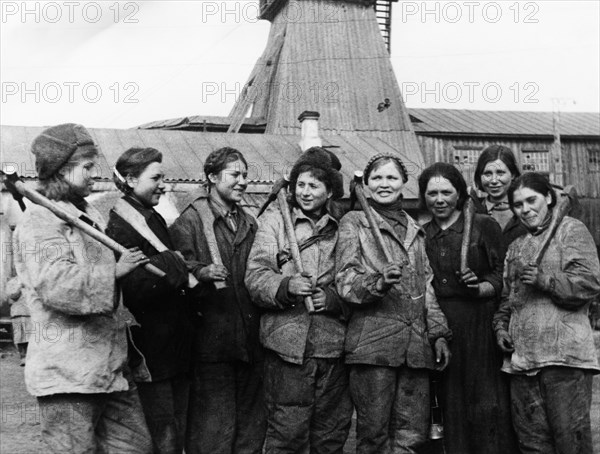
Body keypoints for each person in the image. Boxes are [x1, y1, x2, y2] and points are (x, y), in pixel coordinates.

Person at [12, 123, 152, 453]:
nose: (95, 174)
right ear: (62, 169)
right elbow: (56, 285)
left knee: (136, 448)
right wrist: (114, 273)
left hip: (109, 370)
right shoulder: (40, 221)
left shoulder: (86, 214)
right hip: (67, 374)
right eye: (87, 167)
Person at [335, 153, 452, 454]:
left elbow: (426, 288)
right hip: (373, 348)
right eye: (377, 178)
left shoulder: (416, 229)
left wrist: (438, 333)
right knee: (373, 437)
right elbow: (345, 281)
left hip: (415, 348)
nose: (384, 184)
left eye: (391, 178)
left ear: (403, 182)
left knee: (411, 437)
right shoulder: (355, 222)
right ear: (366, 183)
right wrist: (377, 281)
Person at [245, 147, 353, 453]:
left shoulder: (345, 226)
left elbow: (356, 281)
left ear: (330, 190)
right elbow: (255, 275)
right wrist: (286, 286)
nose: (305, 192)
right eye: (300, 185)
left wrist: (332, 300)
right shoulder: (275, 221)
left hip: (333, 346)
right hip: (285, 346)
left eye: (314, 186)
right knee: (287, 434)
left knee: (330, 435)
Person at [493, 172, 600, 454]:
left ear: (549, 198)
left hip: (564, 359)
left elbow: (589, 284)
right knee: (532, 447)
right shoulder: (516, 247)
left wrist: (546, 280)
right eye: (518, 204)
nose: (525, 209)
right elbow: (508, 299)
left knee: (571, 445)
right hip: (522, 363)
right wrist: (501, 328)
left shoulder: (571, 230)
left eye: (531, 200)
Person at [170, 147, 265, 453]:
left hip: (250, 342)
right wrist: (202, 271)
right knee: (213, 433)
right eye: (235, 175)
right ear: (212, 177)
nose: (242, 182)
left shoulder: (249, 221)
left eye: (245, 175)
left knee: (250, 432)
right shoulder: (190, 222)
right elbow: (175, 271)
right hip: (211, 344)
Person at [419, 162, 517, 454]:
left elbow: (502, 278)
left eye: (446, 192)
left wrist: (478, 288)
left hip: (482, 327)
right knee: (450, 406)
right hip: (441, 327)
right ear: (423, 196)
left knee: (487, 406)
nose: (439, 199)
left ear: (459, 193)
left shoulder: (483, 225)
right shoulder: (422, 235)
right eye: (432, 193)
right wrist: (437, 332)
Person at [106, 147, 195, 454]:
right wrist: (174, 265)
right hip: (151, 348)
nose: (163, 184)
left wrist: (174, 266)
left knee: (177, 427)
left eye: (163, 177)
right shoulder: (120, 225)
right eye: (155, 178)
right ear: (130, 179)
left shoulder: (150, 215)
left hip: (174, 344)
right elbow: (134, 288)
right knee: (164, 433)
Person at [473, 145, 527, 245]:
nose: (494, 180)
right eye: (487, 174)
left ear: (513, 174)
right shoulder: (474, 211)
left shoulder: (526, 209)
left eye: (500, 173)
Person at [6, 274, 32, 366]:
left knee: (29, 336)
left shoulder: (29, 278)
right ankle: (23, 357)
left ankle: (29, 357)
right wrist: (20, 285)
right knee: (19, 336)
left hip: (28, 313)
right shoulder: (12, 282)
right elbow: (12, 295)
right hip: (17, 313)